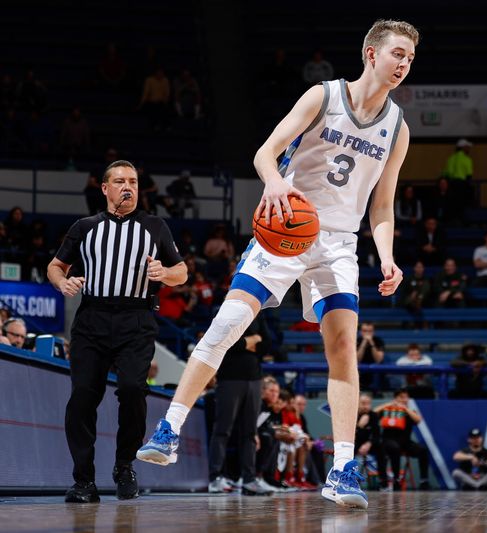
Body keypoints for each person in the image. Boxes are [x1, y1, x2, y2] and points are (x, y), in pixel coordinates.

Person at [137, 19, 419, 512]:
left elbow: (382, 208)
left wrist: (389, 256)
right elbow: (265, 154)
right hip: (287, 224)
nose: (404, 64)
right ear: (371, 54)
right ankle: (169, 428)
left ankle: (342, 469)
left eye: (411, 58)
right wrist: (273, 182)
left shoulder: (398, 128)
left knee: (343, 350)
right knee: (226, 324)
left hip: (337, 243)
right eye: (397, 53)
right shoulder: (322, 96)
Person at [47, 160, 187, 503]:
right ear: (105, 188)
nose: (129, 187)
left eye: (134, 182)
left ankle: (124, 466)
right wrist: (63, 282)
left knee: (133, 390)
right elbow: (54, 266)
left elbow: (181, 271)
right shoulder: (85, 226)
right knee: (82, 397)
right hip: (92, 318)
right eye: (121, 181)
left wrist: (164, 273)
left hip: (136, 320)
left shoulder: (155, 226)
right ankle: (83, 481)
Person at [206, 320, 272, 495]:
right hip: (229, 378)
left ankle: (249, 479)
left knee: (250, 432)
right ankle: (215, 477)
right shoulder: (225, 310)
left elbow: (267, 345)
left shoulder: (259, 313)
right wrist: (251, 341)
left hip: (255, 379)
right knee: (222, 429)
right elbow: (225, 343)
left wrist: (245, 342)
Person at [375, 388, 430, 490]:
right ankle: (395, 480)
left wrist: (405, 408)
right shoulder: (387, 410)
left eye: (406, 397)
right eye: (401, 397)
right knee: (393, 448)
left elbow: (418, 420)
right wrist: (388, 405)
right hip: (388, 441)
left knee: (423, 450)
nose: (404, 400)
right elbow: (373, 413)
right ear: (396, 398)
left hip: (405, 442)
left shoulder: (409, 412)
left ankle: (424, 480)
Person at [442, 138, 474, 210]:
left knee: (453, 206)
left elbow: (447, 173)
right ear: (463, 148)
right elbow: (469, 175)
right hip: (462, 185)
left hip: (452, 185)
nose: (468, 149)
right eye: (467, 147)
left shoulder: (451, 158)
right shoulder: (467, 159)